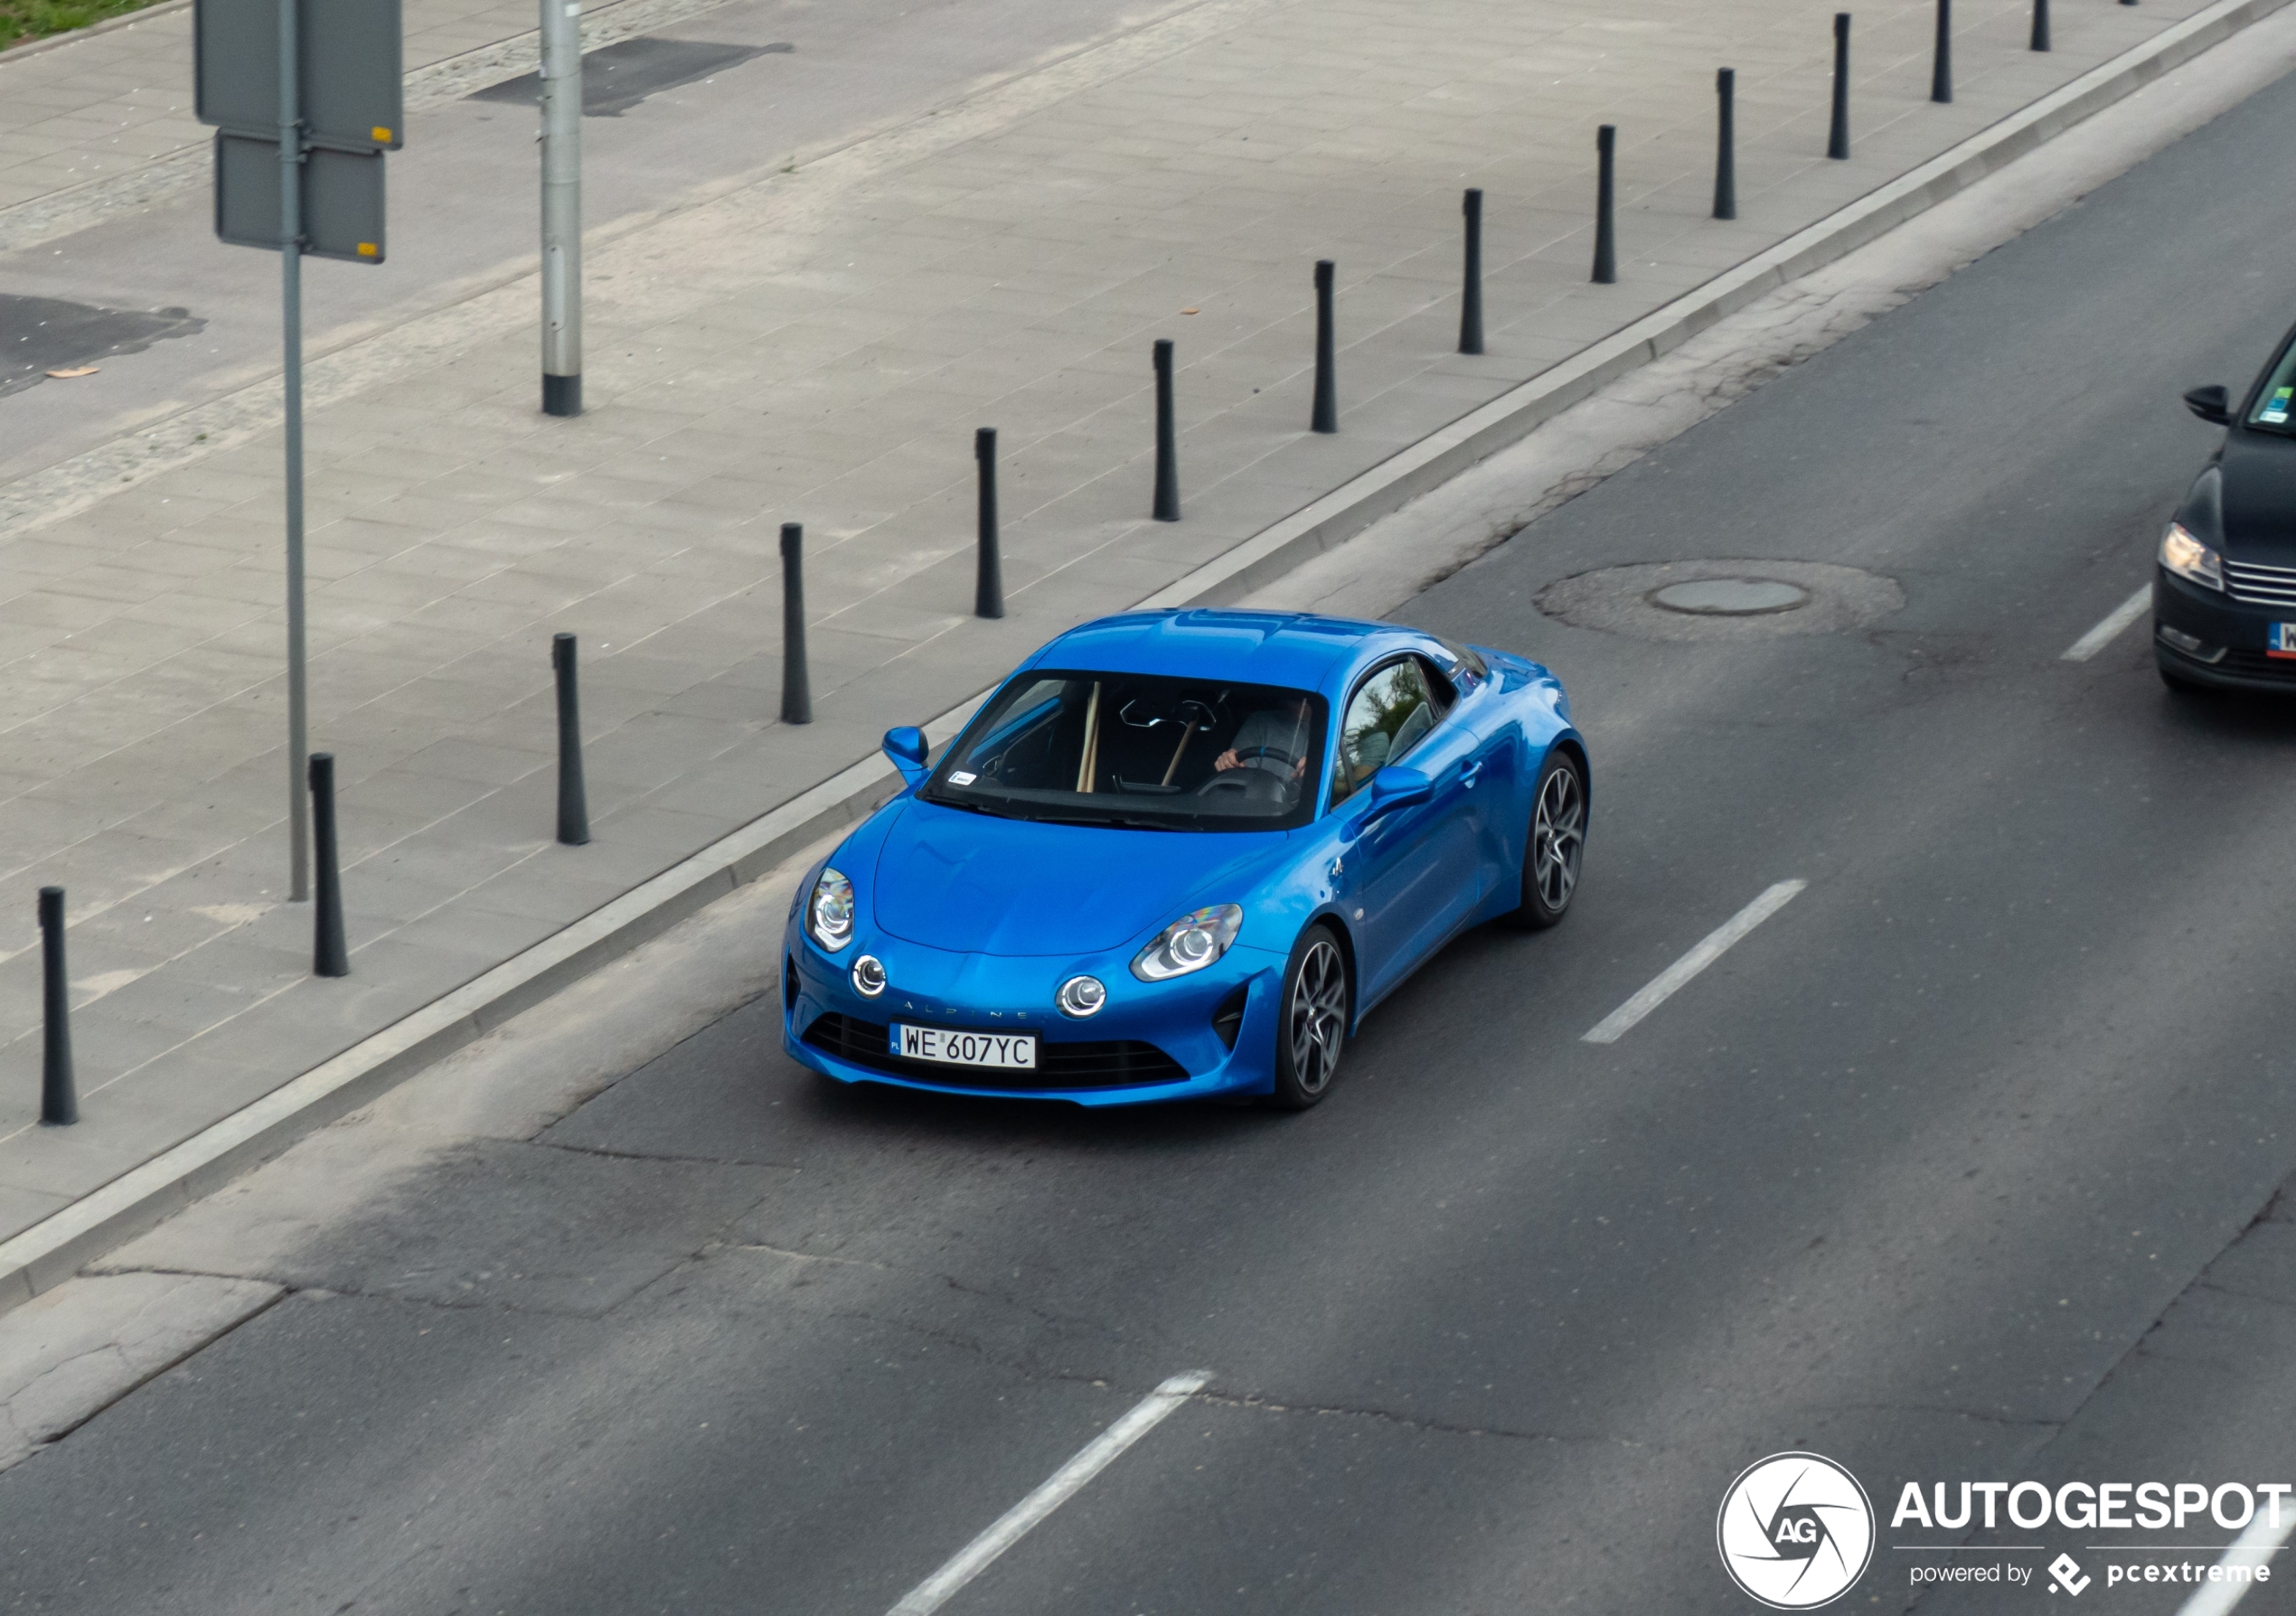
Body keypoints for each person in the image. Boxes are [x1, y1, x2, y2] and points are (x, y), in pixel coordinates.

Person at [1213, 698, 1309, 779]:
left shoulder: (1322, 733)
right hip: (1256, 797)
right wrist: (1228, 762)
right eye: (1296, 698)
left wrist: (1314, 776)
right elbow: (1237, 769)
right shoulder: (1261, 722)